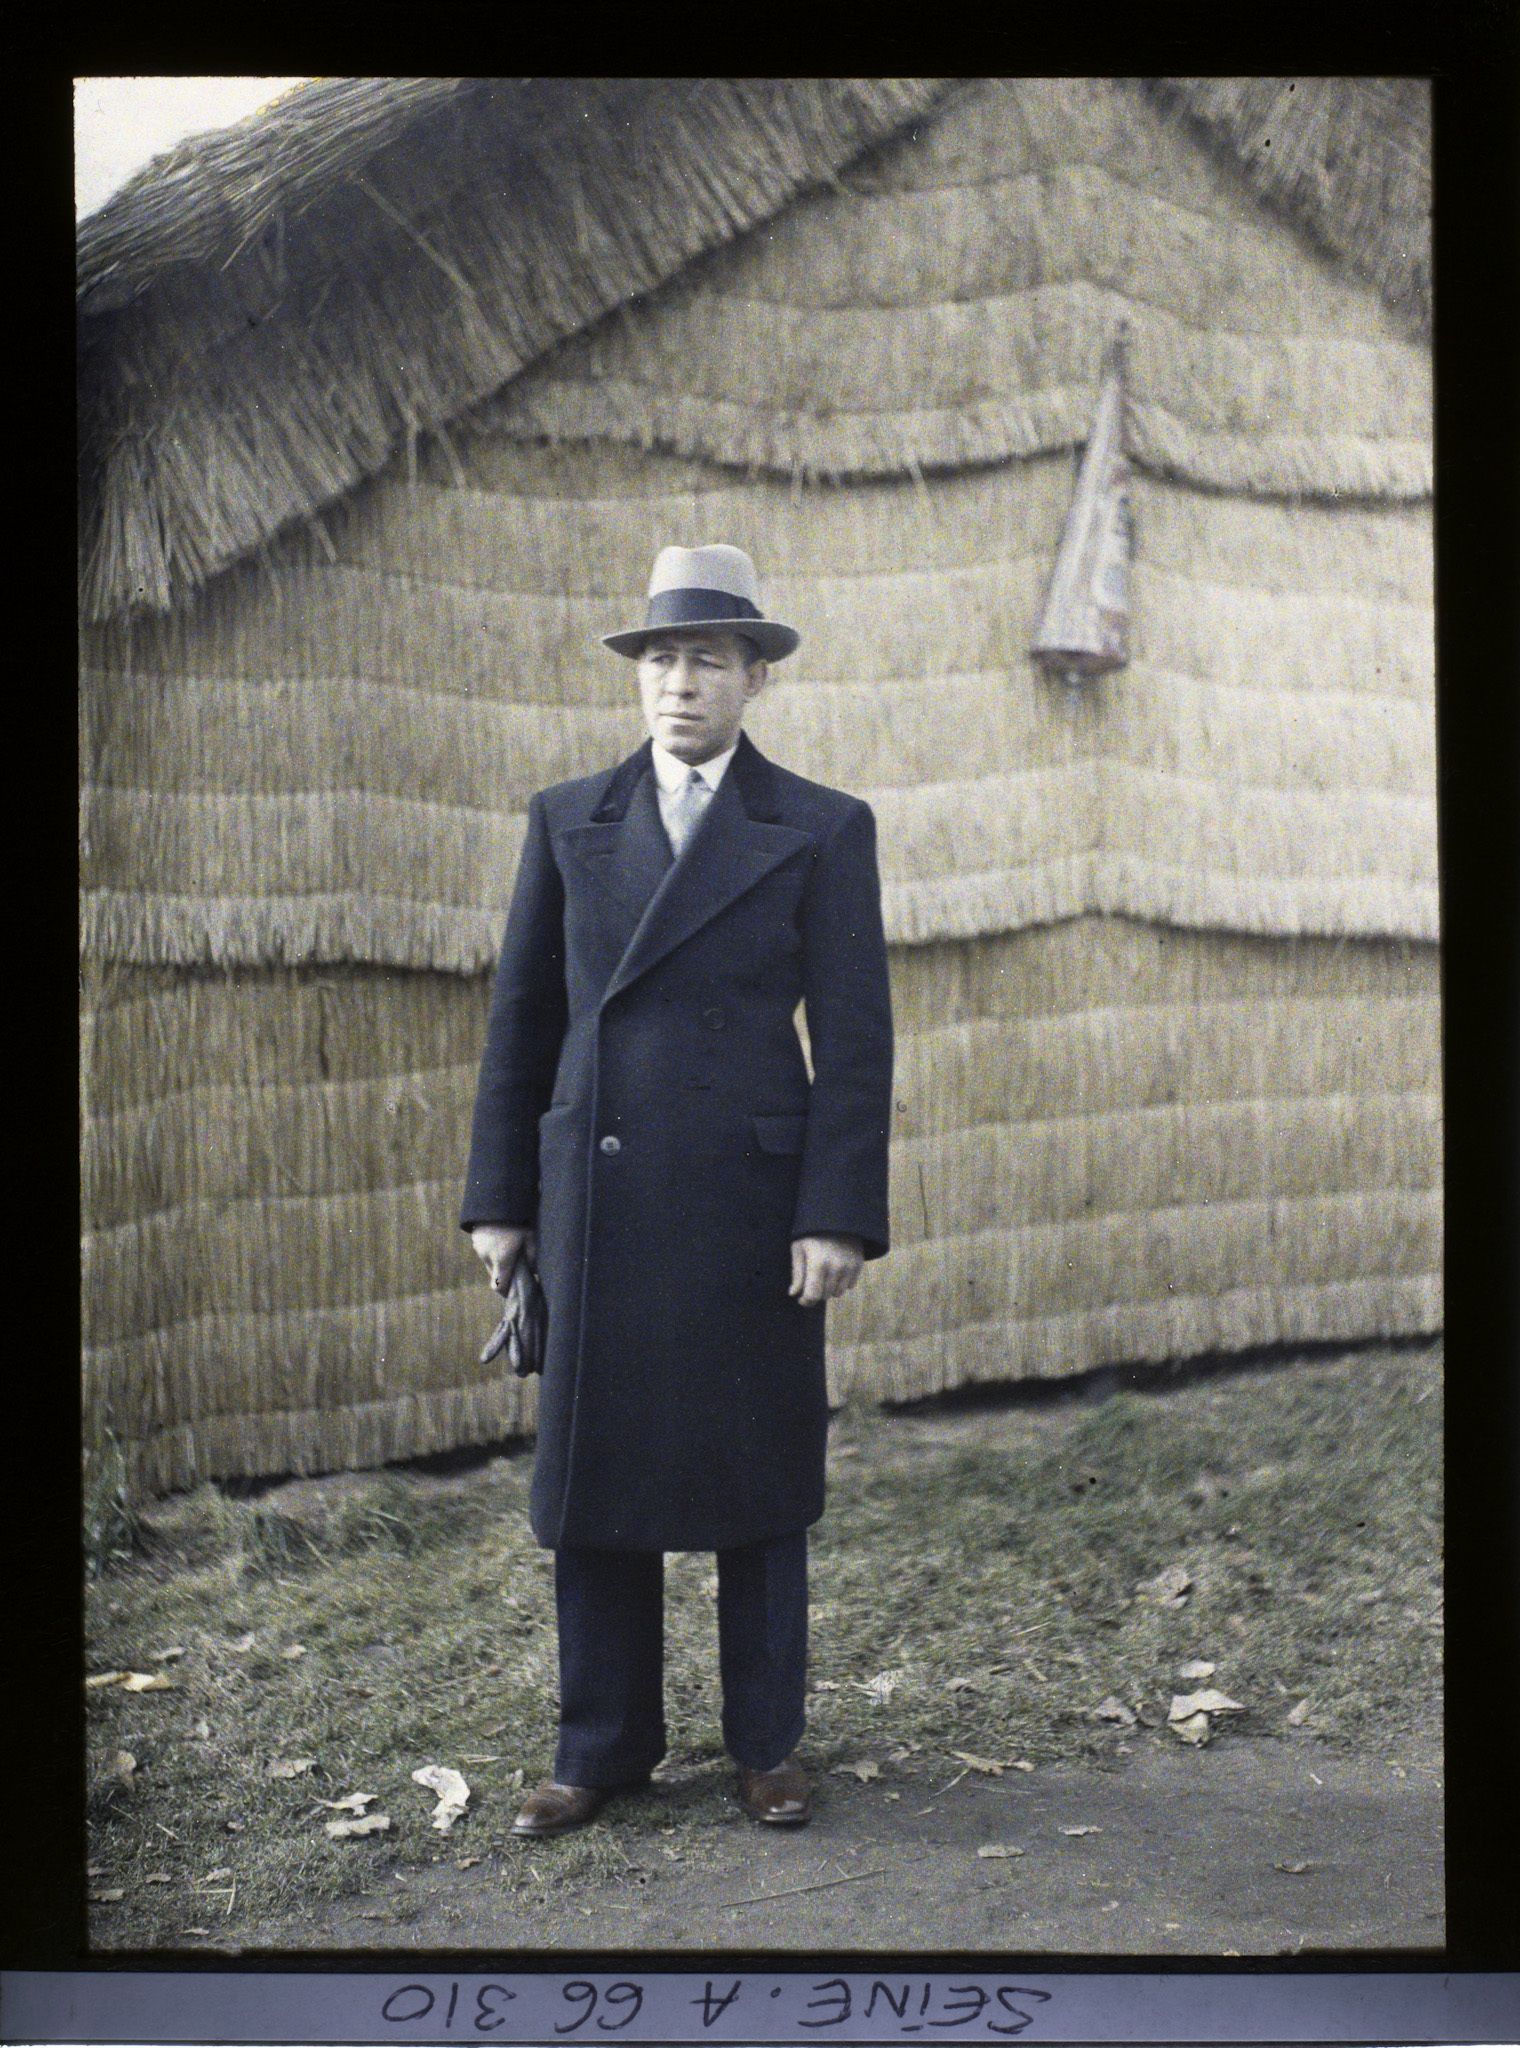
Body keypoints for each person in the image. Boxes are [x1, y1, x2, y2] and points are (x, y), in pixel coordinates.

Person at [461, 543, 893, 1837]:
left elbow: (857, 1041)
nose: (680, 684)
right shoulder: (567, 820)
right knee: (598, 1478)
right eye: (660, 659)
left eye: (708, 659)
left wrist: (834, 1212)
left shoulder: (821, 826)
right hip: (598, 1195)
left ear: (757, 677)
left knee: (757, 1472)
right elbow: (521, 1021)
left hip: (750, 1207)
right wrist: (500, 1200)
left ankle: (766, 1743)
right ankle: (600, 1746)